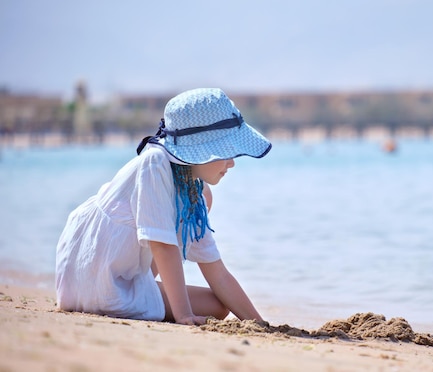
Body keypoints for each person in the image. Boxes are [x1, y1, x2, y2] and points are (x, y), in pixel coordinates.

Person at [55, 88, 272, 325]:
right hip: (97, 283)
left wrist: (260, 324)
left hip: (114, 279)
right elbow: (161, 245)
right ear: (199, 149)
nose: (231, 163)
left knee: (217, 307)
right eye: (225, 152)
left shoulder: (190, 189)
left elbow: (217, 273)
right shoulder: (154, 161)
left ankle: (148, 296)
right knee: (194, 294)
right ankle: (152, 304)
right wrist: (184, 315)